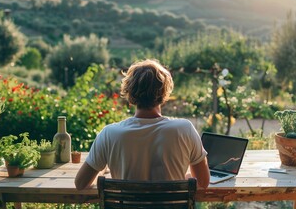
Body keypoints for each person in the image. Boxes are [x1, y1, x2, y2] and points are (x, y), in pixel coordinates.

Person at [74, 59, 210, 189]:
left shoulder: (109, 133)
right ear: (164, 93)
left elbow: (81, 184)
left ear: (130, 94)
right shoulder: (185, 129)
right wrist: (184, 179)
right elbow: (203, 182)